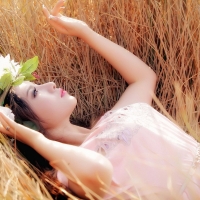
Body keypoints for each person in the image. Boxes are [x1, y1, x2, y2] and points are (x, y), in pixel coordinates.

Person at [0, 0, 199, 199]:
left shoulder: (111, 120)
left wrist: (85, 32)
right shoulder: (67, 173)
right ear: (27, 125)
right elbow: (98, 167)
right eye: (35, 93)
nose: (50, 84)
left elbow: (144, 78)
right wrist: (32, 139)